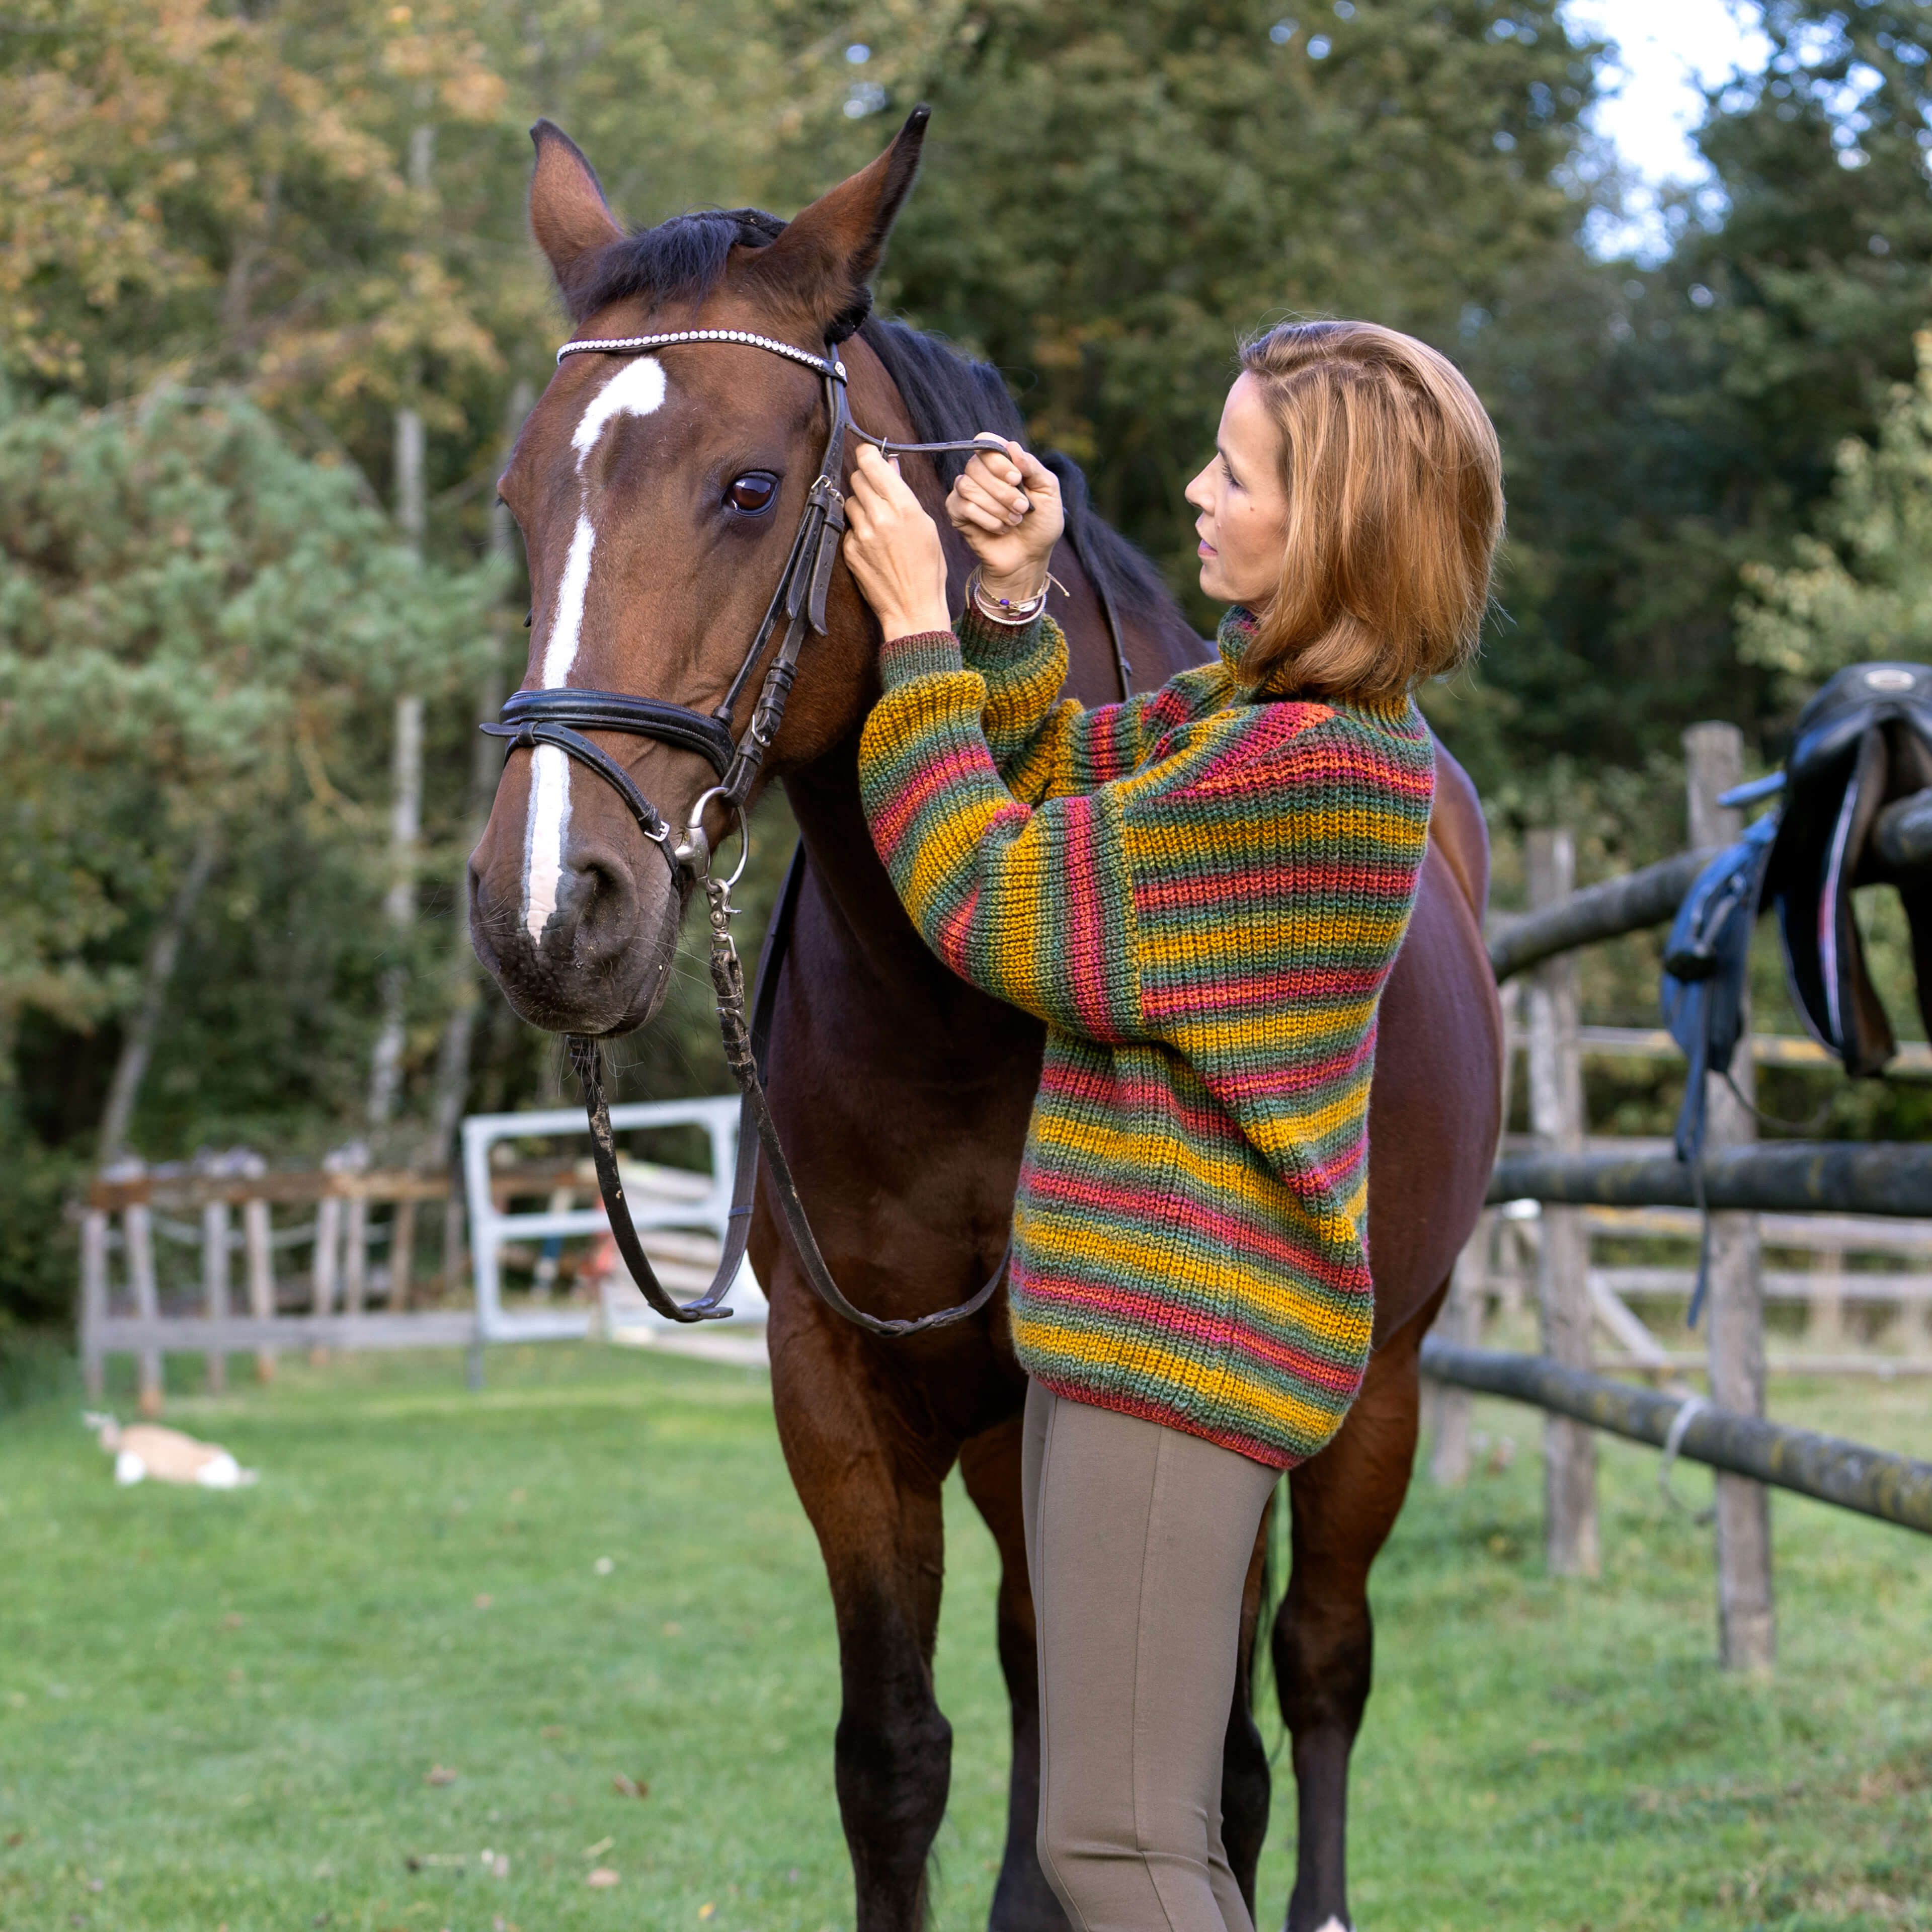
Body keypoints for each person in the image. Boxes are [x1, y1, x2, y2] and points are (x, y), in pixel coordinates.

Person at [840, 318, 1503, 1932]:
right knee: (1160, 1838)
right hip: (1130, 1332)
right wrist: (1002, 605)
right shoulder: (1254, 719)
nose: (1194, 494)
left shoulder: (1318, 771)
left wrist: (917, 635)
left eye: (1239, 471)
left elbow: (992, 894)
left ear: (1334, 522)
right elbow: (1058, 771)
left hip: (1175, 1353)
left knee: (1116, 1855)